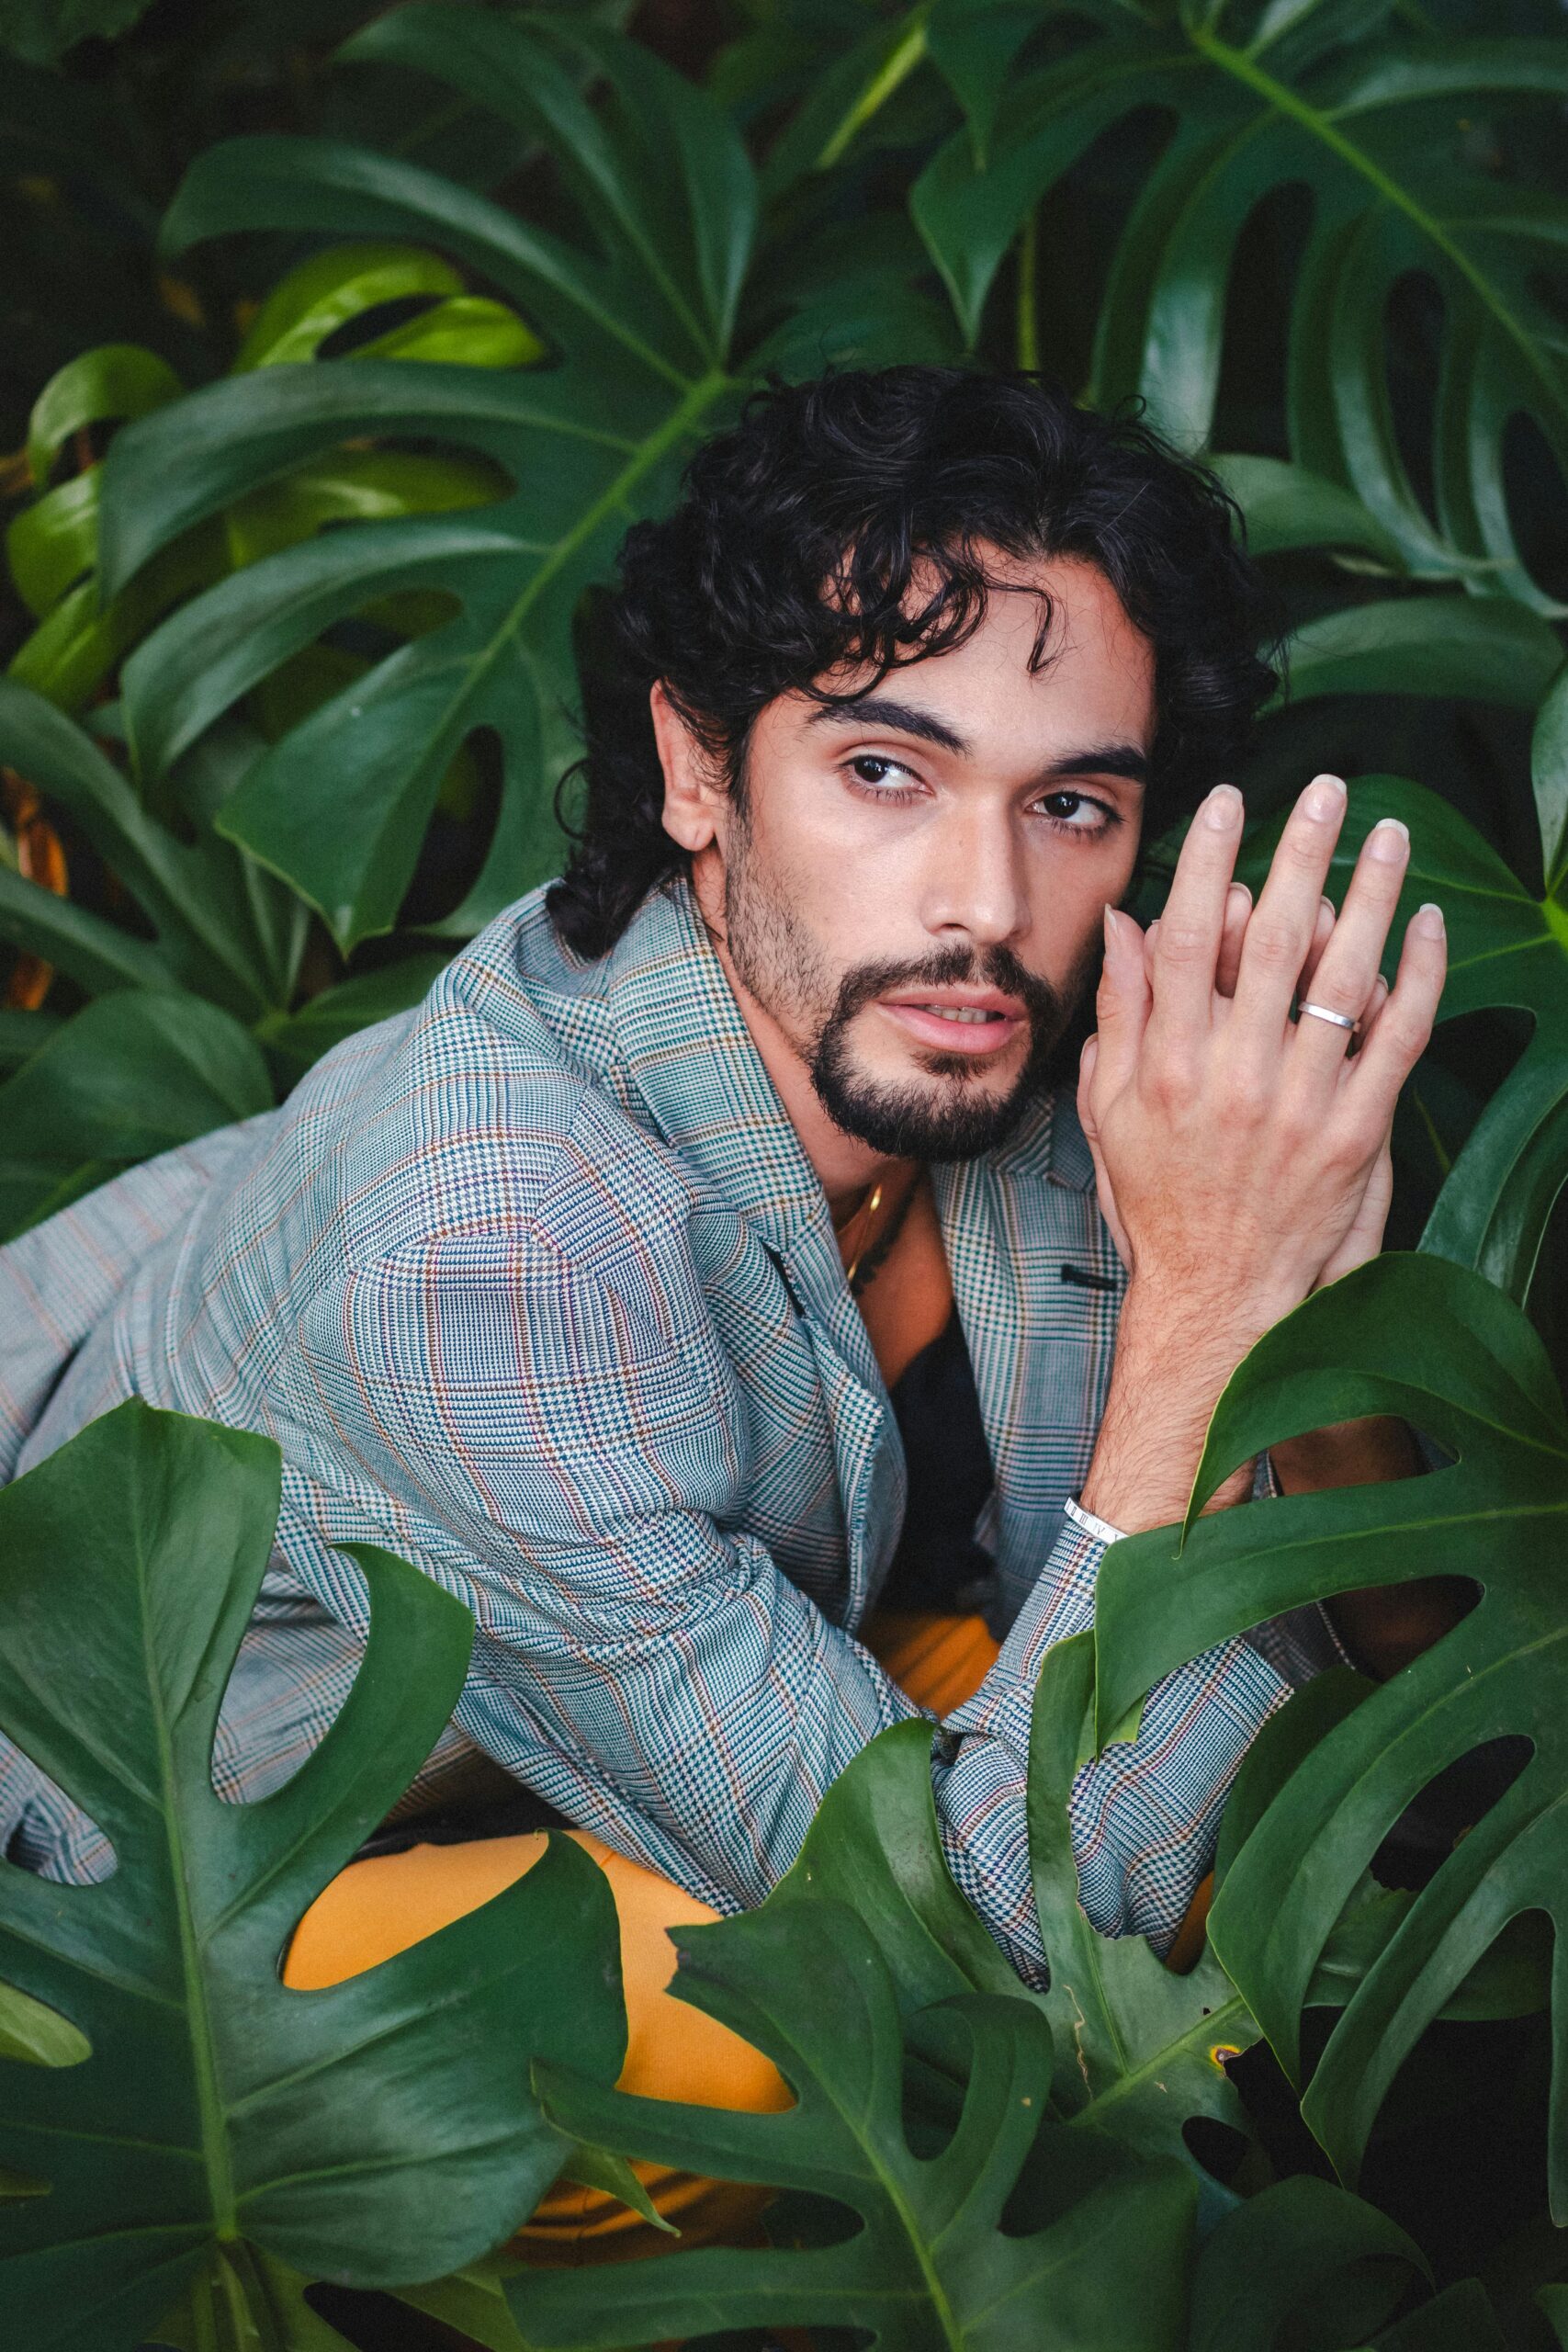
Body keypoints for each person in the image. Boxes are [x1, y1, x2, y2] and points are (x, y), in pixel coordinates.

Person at [0, 368, 1450, 2253]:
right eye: (884, 771)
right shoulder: (488, 1256)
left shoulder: (993, 1064)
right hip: (142, 1927)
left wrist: (1297, 1284)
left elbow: (1394, 1681)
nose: (985, 902)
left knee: (1185, 1753)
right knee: (768, 2032)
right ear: (695, 767)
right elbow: (958, 1967)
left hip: (588, 1734)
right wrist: (1212, 1311)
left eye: (1071, 802)